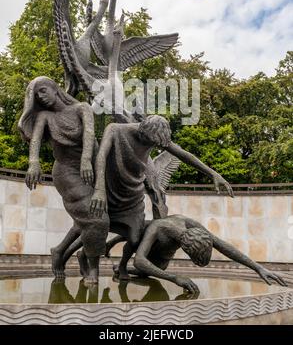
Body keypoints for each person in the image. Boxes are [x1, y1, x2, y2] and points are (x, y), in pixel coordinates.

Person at [90, 115, 234, 279]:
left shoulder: (177, 224)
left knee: (135, 234)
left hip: (133, 194)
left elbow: (184, 155)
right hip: (110, 186)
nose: (151, 147)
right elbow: (101, 156)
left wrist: (213, 174)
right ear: (142, 133)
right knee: (93, 225)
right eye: (149, 143)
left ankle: (120, 264)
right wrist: (99, 190)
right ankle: (87, 263)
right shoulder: (115, 129)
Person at [18, 76, 109, 284]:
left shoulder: (82, 108)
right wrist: (34, 162)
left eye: (43, 90)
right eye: (37, 95)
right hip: (66, 172)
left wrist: (86, 160)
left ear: (54, 88)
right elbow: (36, 141)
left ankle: (59, 252)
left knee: (85, 219)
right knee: (97, 217)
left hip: (92, 169)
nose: (41, 97)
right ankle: (94, 270)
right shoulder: (44, 117)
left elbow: (89, 134)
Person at [107, 214, 287, 293]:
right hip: (142, 246)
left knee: (155, 269)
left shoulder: (189, 224)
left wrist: (258, 268)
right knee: (134, 241)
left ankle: (122, 270)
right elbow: (139, 260)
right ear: (185, 249)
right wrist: (175, 278)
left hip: (161, 257)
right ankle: (121, 266)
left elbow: (223, 245)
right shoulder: (160, 226)